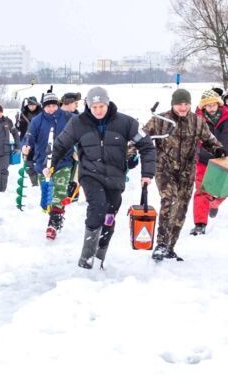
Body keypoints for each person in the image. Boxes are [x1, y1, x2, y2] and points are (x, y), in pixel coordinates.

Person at [50, 87, 155, 268]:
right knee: (97, 206)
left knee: (110, 215)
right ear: (88, 106)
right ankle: (86, 259)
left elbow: (147, 146)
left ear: (107, 104)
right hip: (90, 174)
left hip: (115, 176)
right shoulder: (78, 123)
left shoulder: (126, 122)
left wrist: (147, 174)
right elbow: (60, 144)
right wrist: (50, 166)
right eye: (94, 107)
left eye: (101, 106)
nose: (98, 110)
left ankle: (99, 257)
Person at [142, 88, 224, 262]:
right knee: (169, 200)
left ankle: (170, 247)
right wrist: (128, 155)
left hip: (187, 171)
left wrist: (218, 149)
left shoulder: (197, 121)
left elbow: (209, 140)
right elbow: (141, 138)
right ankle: (161, 244)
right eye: (179, 104)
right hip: (164, 168)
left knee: (181, 208)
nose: (183, 107)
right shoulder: (160, 120)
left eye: (186, 104)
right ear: (173, 104)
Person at [22, 92, 75, 238]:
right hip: (42, 163)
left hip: (63, 162)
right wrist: (26, 146)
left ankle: (53, 224)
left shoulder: (67, 117)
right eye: (48, 106)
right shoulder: (37, 121)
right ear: (43, 107)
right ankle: (55, 217)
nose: (51, 109)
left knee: (59, 192)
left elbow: (83, 125)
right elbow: (29, 137)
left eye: (53, 105)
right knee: (48, 195)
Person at [189, 90, 228, 235]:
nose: (211, 107)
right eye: (207, 105)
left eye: (213, 104)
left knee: (225, 190)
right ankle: (200, 224)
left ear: (219, 104)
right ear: (203, 106)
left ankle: (214, 203)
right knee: (201, 191)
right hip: (204, 160)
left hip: (225, 159)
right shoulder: (196, 119)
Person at [15, 96, 42, 186]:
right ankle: (34, 182)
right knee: (28, 163)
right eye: (30, 105)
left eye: (33, 105)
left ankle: (41, 180)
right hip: (25, 141)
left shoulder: (41, 113)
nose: (31, 107)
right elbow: (19, 128)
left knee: (40, 162)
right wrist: (17, 123)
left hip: (38, 141)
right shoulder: (23, 113)